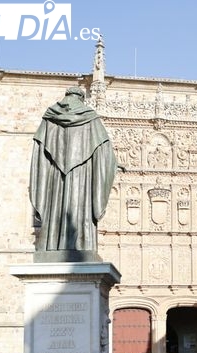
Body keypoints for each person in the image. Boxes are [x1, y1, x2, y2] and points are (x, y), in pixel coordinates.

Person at [29, 87, 122, 261]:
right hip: (82, 178)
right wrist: (114, 164)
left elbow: (40, 154)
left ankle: (52, 244)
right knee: (80, 208)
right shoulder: (90, 118)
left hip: (55, 178)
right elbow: (104, 152)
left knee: (56, 204)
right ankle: (81, 245)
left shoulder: (50, 118)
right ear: (81, 98)